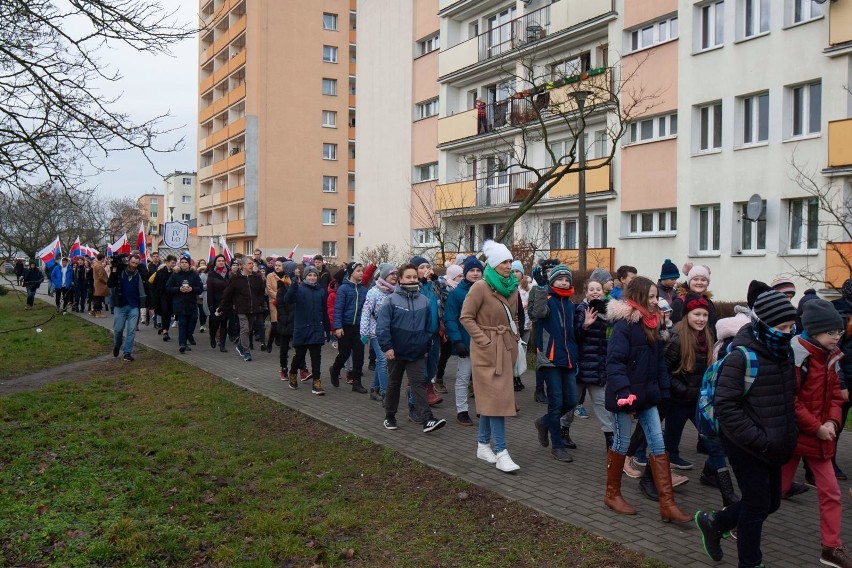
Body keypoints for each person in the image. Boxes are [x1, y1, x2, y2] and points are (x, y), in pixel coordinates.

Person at [694, 291, 799, 567]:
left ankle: (715, 522)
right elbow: (726, 407)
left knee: (771, 503)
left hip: (775, 444)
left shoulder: (784, 353)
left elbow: (787, 398)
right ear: (764, 324)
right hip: (746, 445)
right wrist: (759, 439)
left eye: (792, 327)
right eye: (783, 328)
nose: (789, 333)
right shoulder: (741, 357)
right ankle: (750, 563)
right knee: (755, 506)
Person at [604, 276, 691, 523]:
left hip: (648, 396)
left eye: (656, 296)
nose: (656, 301)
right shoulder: (624, 325)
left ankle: (667, 504)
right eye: (651, 297)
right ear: (640, 297)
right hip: (625, 396)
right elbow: (614, 362)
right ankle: (612, 494)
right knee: (621, 444)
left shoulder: (653, 324)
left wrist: (663, 391)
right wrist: (624, 393)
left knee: (658, 443)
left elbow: (658, 363)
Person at [781, 300, 851, 568]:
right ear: (815, 331)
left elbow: (835, 395)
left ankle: (831, 547)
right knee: (774, 491)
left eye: (839, 332)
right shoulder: (797, 358)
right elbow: (791, 400)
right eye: (832, 332)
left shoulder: (831, 356)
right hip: (797, 435)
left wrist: (833, 421)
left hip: (818, 437)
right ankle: (739, 523)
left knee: (831, 492)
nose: (837, 337)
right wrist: (817, 427)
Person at [460, 240, 521, 473]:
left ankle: (483, 445)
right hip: (486, 350)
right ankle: (502, 451)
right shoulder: (480, 287)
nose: (509, 265)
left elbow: (514, 318)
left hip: (505, 347)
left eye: (509, 261)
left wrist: (514, 339)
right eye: (504, 261)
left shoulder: (512, 287)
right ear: (494, 264)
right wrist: (484, 341)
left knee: (491, 399)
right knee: (497, 400)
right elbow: (466, 317)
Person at [377, 263, 446, 433]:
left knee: (419, 384)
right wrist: (387, 347)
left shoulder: (424, 300)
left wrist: (426, 345)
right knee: (394, 384)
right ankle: (390, 416)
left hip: (417, 353)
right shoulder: (391, 300)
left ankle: (427, 419)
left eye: (414, 277)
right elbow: (382, 327)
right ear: (400, 279)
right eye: (408, 277)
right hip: (396, 352)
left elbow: (428, 327)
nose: (412, 279)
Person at [531, 264, 579, 463]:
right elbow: (537, 313)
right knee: (556, 402)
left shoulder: (570, 303)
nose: (564, 282)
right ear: (552, 281)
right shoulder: (547, 298)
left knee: (572, 401)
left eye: (567, 279)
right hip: (550, 359)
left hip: (568, 359)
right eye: (560, 279)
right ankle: (557, 446)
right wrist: (541, 287)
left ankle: (543, 423)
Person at [663, 295, 716, 470]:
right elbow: (664, 370)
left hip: (698, 400)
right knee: (671, 439)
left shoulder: (707, 336)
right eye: (697, 314)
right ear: (687, 315)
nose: (701, 319)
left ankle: (712, 471)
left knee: (713, 438)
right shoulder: (677, 338)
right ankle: (662, 469)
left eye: (705, 315)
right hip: (677, 400)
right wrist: (683, 390)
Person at [573, 277, 614, 450]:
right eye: (592, 289)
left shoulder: (608, 311)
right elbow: (576, 336)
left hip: (599, 367)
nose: (595, 292)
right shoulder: (581, 310)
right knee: (571, 403)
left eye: (598, 289)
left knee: (602, 404)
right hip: (581, 366)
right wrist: (586, 325)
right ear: (586, 292)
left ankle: (610, 440)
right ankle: (563, 431)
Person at [445, 256, 484, 426]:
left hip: (484, 343)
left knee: (482, 379)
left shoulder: (488, 291)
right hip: (465, 343)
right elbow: (450, 319)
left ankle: (484, 409)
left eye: (478, 271)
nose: (475, 274)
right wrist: (457, 340)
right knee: (463, 377)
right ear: (465, 273)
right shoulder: (456, 294)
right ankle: (462, 411)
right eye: (472, 271)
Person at [283, 265, 328, 395]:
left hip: (317, 328)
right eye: (309, 275)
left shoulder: (320, 291)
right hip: (302, 329)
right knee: (299, 355)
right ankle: (292, 373)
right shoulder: (299, 288)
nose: (312, 277)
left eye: (314, 275)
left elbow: (324, 311)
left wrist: (327, 328)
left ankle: (317, 383)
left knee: (316, 357)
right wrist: (293, 284)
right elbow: (287, 300)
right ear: (305, 277)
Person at [360, 263, 398, 403]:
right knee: (383, 360)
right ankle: (385, 392)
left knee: (380, 361)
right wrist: (364, 332)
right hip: (376, 331)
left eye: (396, 273)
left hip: (390, 332)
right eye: (391, 273)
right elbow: (366, 313)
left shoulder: (396, 291)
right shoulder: (373, 292)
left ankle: (374, 389)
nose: (394, 276)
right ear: (383, 276)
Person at [216, 258, 267, 362]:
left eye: (252, 264)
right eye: (249, 264)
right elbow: (227, 294)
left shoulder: (257, 278)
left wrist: (260, 303)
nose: (252, 265)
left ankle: (240, 346)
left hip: (254, 309)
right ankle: (246, 352)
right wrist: (221, 307)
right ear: (243, 265)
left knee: (249, 329)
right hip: (241, 308)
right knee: (245, 329)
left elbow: (261, 292)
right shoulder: (236, 278)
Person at [330, 261, 370, 393]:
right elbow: (338, 309)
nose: (361, 273)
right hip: (345, 327)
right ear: (351, 272)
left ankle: (356, 383)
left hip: (359, 327)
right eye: (358, 270)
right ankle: (335, 369)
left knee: (359, 356)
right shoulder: (343, 289)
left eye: (362, 270)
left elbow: (367, 309)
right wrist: (338, 327)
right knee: (344, 353)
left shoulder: (364, 290)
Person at [107, 253, 146, 362]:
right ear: (129, 261)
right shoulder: (120, 272)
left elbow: (145, 289)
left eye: (136, 263)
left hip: (134, 306)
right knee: (118, 329)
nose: (134, 265)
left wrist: (148, 306)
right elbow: (110, 284)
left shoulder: (139, 273)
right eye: (132, 262)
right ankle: (117, 345)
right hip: (120, 305)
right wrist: (114, 269)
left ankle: (127, 352)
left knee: (131, 330)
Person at [434, 264, 463, 394]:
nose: (461, 278)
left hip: (460, 325)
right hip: (446, 326)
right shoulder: (444, 287)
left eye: (462, 275)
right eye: (459, 276)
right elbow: (437, 282)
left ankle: (470, 384)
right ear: (452, 276)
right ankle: (439, 378)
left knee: (465, 354)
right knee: (445, 354)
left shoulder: (462, 289)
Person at [167, 256, 203, 354]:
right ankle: (182, 344)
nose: (184, 264)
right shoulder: (175, 275)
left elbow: (200, 288)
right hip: (180, 303)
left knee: (193, 320)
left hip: (191, 303)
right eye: (182, 262)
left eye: (186, 262)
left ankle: (188, 335)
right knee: (182, 324)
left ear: (189, 264)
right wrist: (179, 289)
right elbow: (168, 288)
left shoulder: (194, 275)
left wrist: (192, 289)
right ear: (180, 264)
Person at [670, 265, 718, 337]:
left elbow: (712, 326)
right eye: (695, 279)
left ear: (707, 283)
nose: (699, 282)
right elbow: (674, 329)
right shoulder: (679, 302)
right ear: (689, 282)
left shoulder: (708, 302)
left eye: (703, 280)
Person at [206, 254, 230, 352]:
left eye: (223, 261)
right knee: (215, 323)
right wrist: (210, 305)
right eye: (219, 261)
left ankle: (222, 345)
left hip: (226, 303)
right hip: (215, 302)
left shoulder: (228, 273)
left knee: (224, 324)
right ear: (215, 262)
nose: (221, 262)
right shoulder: (212, 274)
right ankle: (212, 337)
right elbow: (209, 291)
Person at [152, 255, 177, 341]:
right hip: (162, 296)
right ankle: (165, 331)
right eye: (172, 263)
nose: (173, 265)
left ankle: (164, 328)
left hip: (172, 296)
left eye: (175, 263)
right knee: (165, 312)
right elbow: (155, 285)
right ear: (167, 262)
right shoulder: (160, 272)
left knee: (169, 314)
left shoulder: (175, 273)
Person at [266, 260, 287, 353]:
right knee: (275, 324)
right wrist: (279, 297)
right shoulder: (270, 276)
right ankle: (270, 343)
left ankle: (282, 344)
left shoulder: (286, 276)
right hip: (274, 302)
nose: (277, 267)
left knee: (283, 324)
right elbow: (269, 289)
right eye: (276, 265)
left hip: (284, 303)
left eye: (279, 265)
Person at [92, 254, 109, 318]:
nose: (104, 259)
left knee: (97, 298)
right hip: (100, 285)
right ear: (102, 258)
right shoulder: (99, 266)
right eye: (104, 258)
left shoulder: (96, 264)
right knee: (100, 299)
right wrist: (106, 282)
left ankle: (94, 310)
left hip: (97, 284)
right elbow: (100, 277)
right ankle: (98, 312)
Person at [196, 259, 208, 333]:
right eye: (201, 263)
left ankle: (204, 323)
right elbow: (197, 285)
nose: (202, 264)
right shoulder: (197, 273)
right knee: (201, 310)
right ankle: (202, 325)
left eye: (204, 263)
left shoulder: (208, 274)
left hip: (206, 295)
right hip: (200, 295)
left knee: (206, 310)